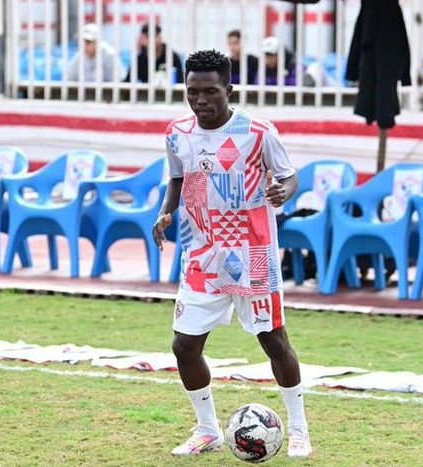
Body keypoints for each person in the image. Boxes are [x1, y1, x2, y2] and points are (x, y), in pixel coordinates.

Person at [152, 49, 312, 458]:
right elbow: (177, 177)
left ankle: (299, 429)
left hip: (252, 254)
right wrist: (166, 212)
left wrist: (282, 191)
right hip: (202, 254)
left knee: (273, 341)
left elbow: (289, 176)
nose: (200, 100)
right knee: (184, 347)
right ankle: (208, 430)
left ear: (229, 89)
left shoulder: (258, 132)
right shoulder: (177, 133)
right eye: (192, 91)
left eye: (210, 91)